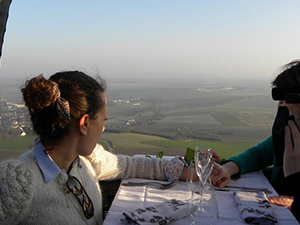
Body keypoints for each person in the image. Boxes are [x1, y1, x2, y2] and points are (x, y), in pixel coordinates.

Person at [0, 71, 189, 225]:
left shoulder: (85, 159)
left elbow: (129, 165)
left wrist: (186, 172)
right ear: (84, 123)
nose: (103, 128)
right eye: (103, 120)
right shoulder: (19, 182)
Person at [211, 60, 300, 215]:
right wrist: (227, 169)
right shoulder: (289, 133)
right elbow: (258, 154)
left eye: (284, 101)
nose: (280, 107)